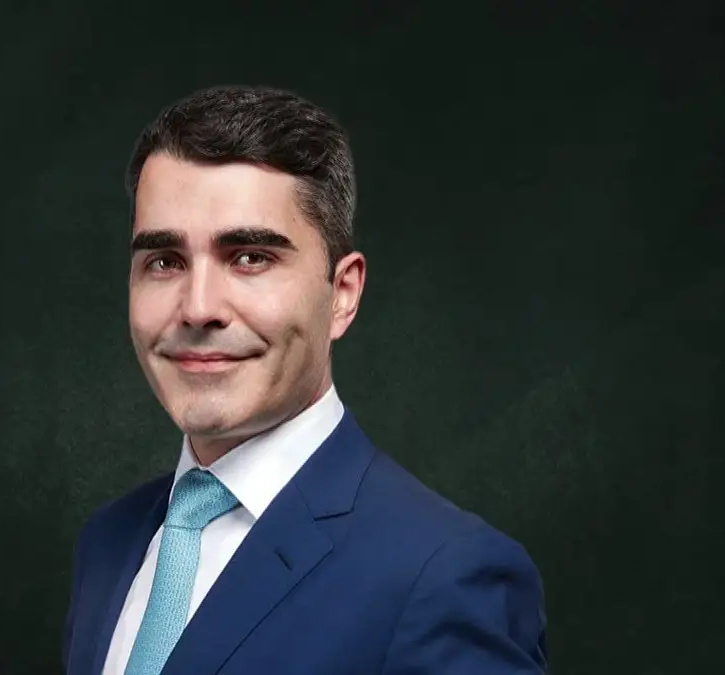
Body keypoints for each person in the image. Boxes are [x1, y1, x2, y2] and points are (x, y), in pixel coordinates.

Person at [62, 85, 549, 675]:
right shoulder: (110, 543)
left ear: (342, 294)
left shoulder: (445, 577)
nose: (198, 308)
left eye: (250, 257)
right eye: (164, 262)